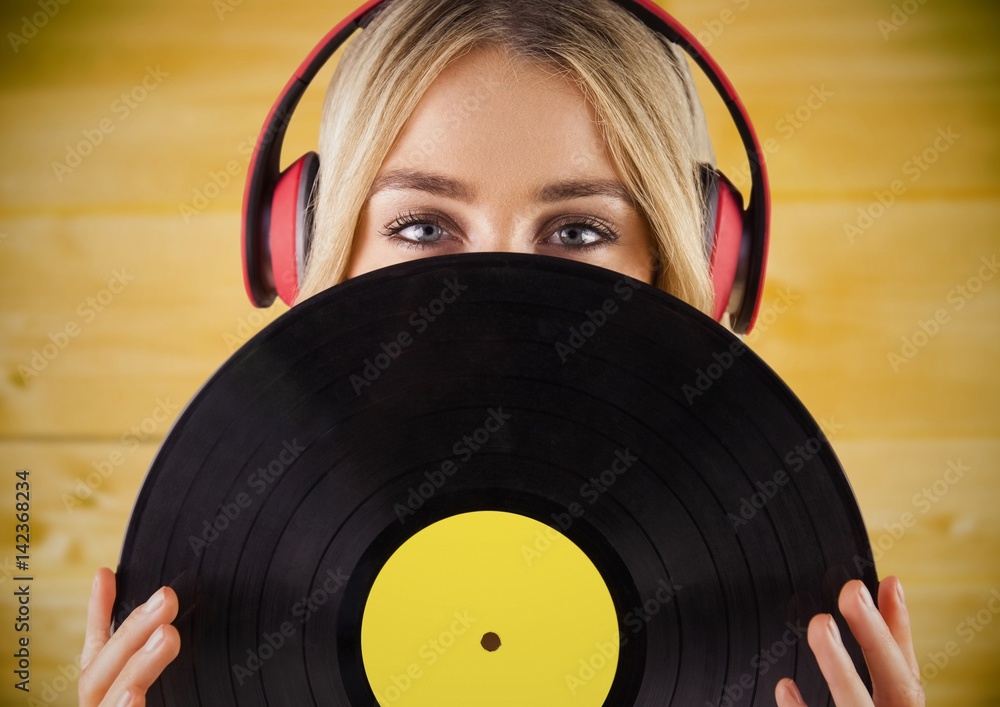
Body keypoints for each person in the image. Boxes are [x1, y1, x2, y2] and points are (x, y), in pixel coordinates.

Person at [79, 0, 925, 705]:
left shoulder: (760, 567)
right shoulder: (239, 560)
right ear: (312, 249)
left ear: (690, 260)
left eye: (578, 231)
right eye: (422, 226)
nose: (498, 285)